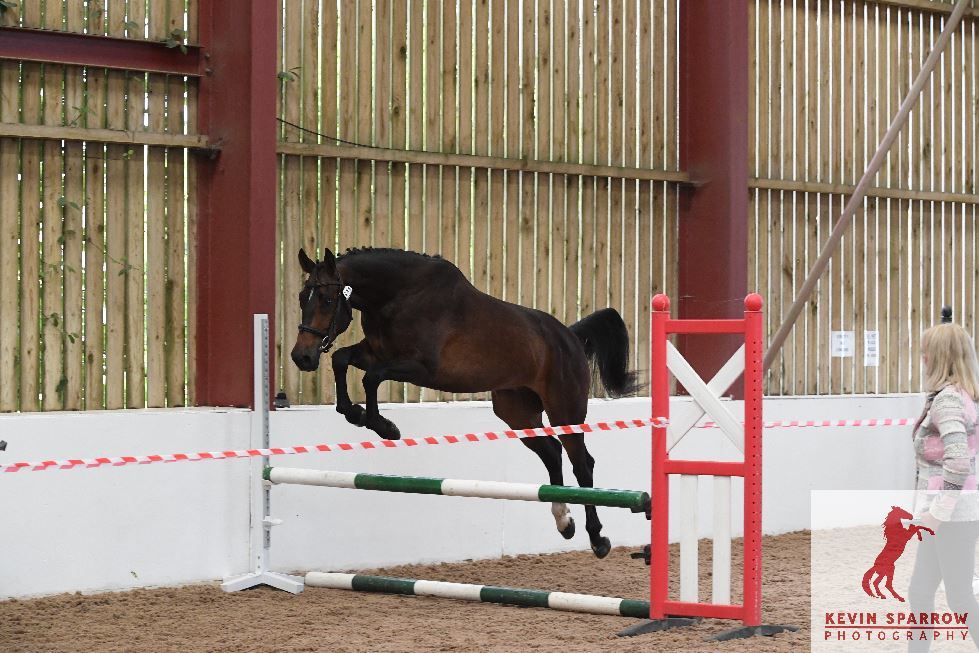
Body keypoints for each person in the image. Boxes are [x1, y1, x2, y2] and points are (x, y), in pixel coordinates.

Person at [908, 322, 979, 651]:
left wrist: (936, 514)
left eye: (926, 352)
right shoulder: (963, 395)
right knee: (921, 592)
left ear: (939, 356)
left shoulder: (947, 401)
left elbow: (959, 462)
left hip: (950, 515)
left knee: (959, 597)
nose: (923, 357)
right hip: (951, 512)